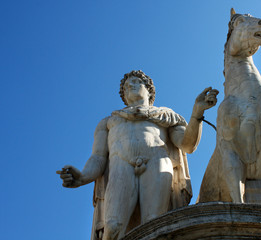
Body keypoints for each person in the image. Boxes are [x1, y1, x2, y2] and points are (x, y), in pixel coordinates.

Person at [57, 70, 218, 240]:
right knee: (112, 227)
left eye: (135, 82)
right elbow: (98, 158)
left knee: (154, 225)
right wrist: (82, 177)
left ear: (149, 90)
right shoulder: (109, 122)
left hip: (157, 162)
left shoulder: (165, 116)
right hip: (121, 166)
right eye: (126, 87)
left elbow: (187, 144)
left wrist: (197, 114)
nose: (130, 86)